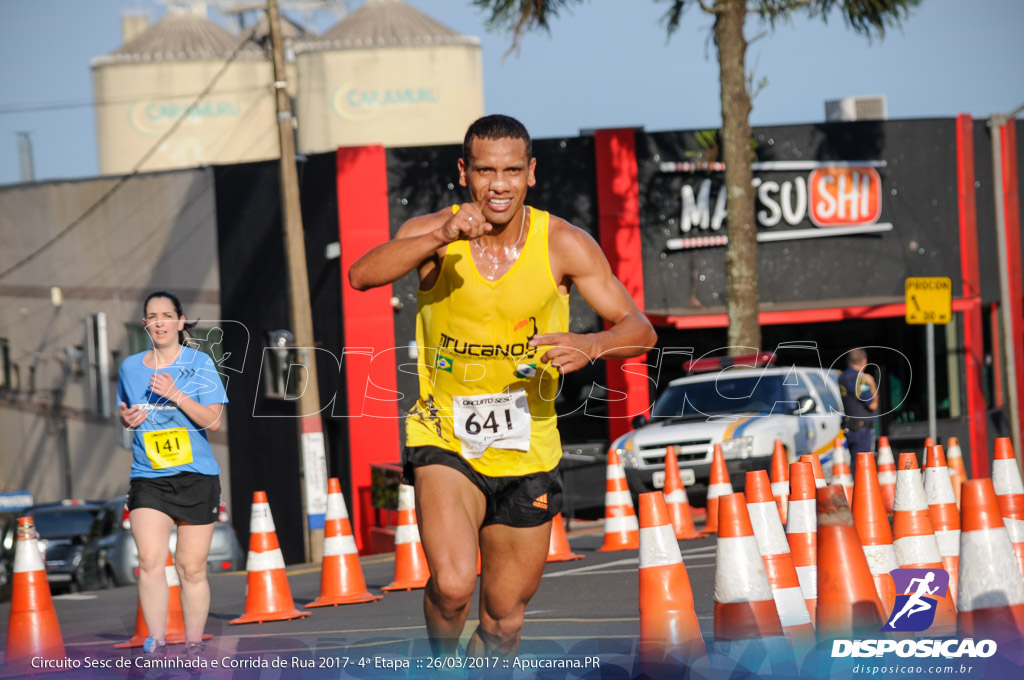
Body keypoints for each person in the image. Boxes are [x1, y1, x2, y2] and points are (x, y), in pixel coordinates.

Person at [349, 114, 657, 660]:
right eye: (486, 170)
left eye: (512, 170)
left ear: (531, 173)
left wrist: (589, 347)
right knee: (451, 584)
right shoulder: (433, 234)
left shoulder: (563, 242)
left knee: (504, 620)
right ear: (464, 172)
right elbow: (363, 275)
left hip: (528, 443)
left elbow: (639, 329)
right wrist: (441, 235)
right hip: (445, 432)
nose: (499, 184)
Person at [117, 291, 227, 660]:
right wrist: (126, 418)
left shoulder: (200, 363)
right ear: (145, 324)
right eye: (153, 316)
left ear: (181, 321)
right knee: (149, 560)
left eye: (167, 315)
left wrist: (177, 394)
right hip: (149, 477)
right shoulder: (131, 368)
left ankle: (194, 643)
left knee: (191, 568)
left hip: (197, 477)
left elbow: (214, 421)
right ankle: (157, 640)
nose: (160, 322)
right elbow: (126, 410)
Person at [839, 348, 879, 456]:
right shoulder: (859, 379)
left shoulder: (842, 377)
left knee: (855, 464)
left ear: (849, 361)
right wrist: (872, 384)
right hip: (862, 430)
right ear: (864, 361)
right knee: (864, 464)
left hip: (851, 428)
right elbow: (872, 405)